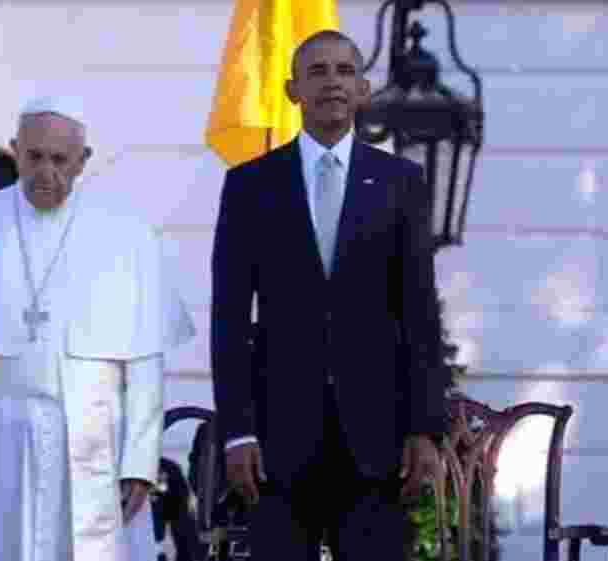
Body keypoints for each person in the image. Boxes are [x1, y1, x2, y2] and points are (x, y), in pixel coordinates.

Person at [0, 95, 195, 561]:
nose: (45, 171)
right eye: (34, 157)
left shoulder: (128, 236)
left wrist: (139, 461)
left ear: (83, 161)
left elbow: (145, 362)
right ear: (15, 149)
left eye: (60, 160)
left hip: (98, 441)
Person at [209, 29, 450, 560]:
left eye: (344, 71)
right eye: (316, 72)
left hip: (378, 443)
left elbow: (418, 311)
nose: (332, 83)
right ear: (293, 91)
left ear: (363, 89)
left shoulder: (400, 183)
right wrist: (236, 432)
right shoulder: (251, 185)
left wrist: (425, 429)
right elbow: (228, 318)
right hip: (276, 443)